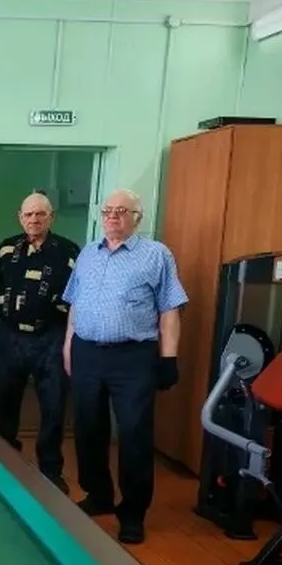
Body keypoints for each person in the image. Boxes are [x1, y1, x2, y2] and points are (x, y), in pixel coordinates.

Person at [61, 188, 187, 545]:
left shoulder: (156, 255)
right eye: (107, 211)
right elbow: (75, 304)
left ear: (137, 217)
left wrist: (169, 358)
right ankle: (98, 494)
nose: (113, 217)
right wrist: (69, 346)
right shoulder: (88, 253)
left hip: (133, 357)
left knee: (133, 432)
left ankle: (132, 512)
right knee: (87, 427)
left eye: (121, 211)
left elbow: (169, 309)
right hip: (87, 352)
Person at [0, 192, 80, 493]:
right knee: (3, 403)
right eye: (28, 214)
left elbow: (74, 298)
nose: (34, 219)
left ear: (51, 217)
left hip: (51, 338)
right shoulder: (6, 248)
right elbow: (0, 290)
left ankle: (51, 471)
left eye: (40, 214)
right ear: (20, 217)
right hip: (10, 337)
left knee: (53, 407)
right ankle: (4, 462)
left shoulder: (68, 251)